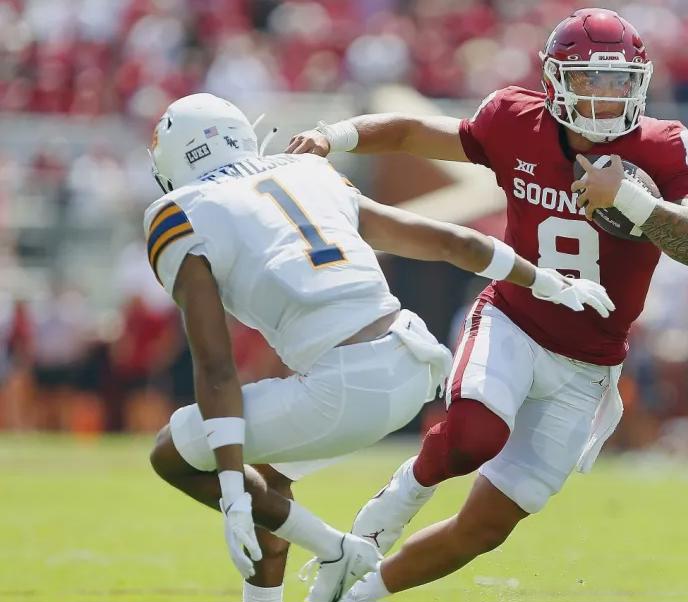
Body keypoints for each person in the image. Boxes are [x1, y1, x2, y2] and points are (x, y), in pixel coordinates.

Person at [287, 7, 688, 601]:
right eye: (588, 80)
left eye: (617, 80)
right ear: (554, 82)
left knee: (485, 528)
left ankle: (354, 595)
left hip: (589, 365)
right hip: (514, 321)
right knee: (472, 435)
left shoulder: (661, 146)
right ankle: (397, 498)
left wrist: (635, 203)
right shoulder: (515, 121)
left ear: (639, 82)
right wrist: (337, 136)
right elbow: (417, 133)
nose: (603, 97)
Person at [144, 93, 615, 602]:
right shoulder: (306, 173)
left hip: (342, 388)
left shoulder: (179, 213)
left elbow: (216, 369)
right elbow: (452, 243)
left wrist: (231, 492)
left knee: (174, 454)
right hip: (410, 362)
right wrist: (548, 281)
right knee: (268, 479)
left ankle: (335, 548)